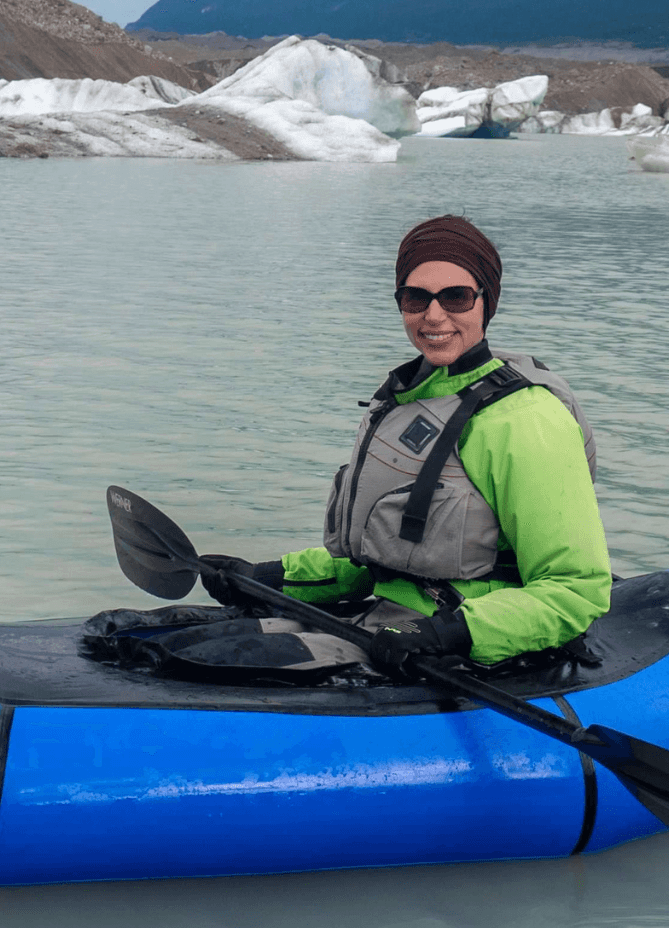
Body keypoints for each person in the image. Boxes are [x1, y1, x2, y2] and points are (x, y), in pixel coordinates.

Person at [196, 214, 612, 677]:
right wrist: (267, 578)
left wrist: (447, 634)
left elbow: (576, 590)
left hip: (465, 646)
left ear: (485, 302)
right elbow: (382, 567)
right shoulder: (410, 398)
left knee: (216, 667)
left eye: (456, 297)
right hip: (386, 625)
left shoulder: (525, 420)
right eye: (416, 298)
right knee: (168, 644)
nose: (434, 316)